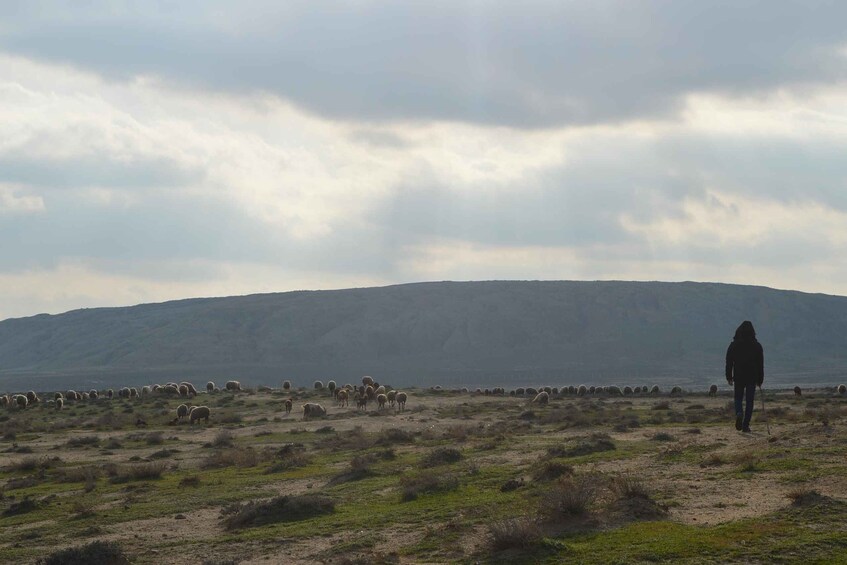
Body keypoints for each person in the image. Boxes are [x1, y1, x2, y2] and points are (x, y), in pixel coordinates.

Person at [725, 320, 764, 432]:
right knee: (749, 401)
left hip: (739, 376)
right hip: (752, 377)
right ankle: (746, 425)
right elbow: (760, 364)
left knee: (738, 398)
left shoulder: (733, 345)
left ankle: (739, 413)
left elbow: (729, 362)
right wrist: (760, 379)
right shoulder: (757, 346)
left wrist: (729, 376)